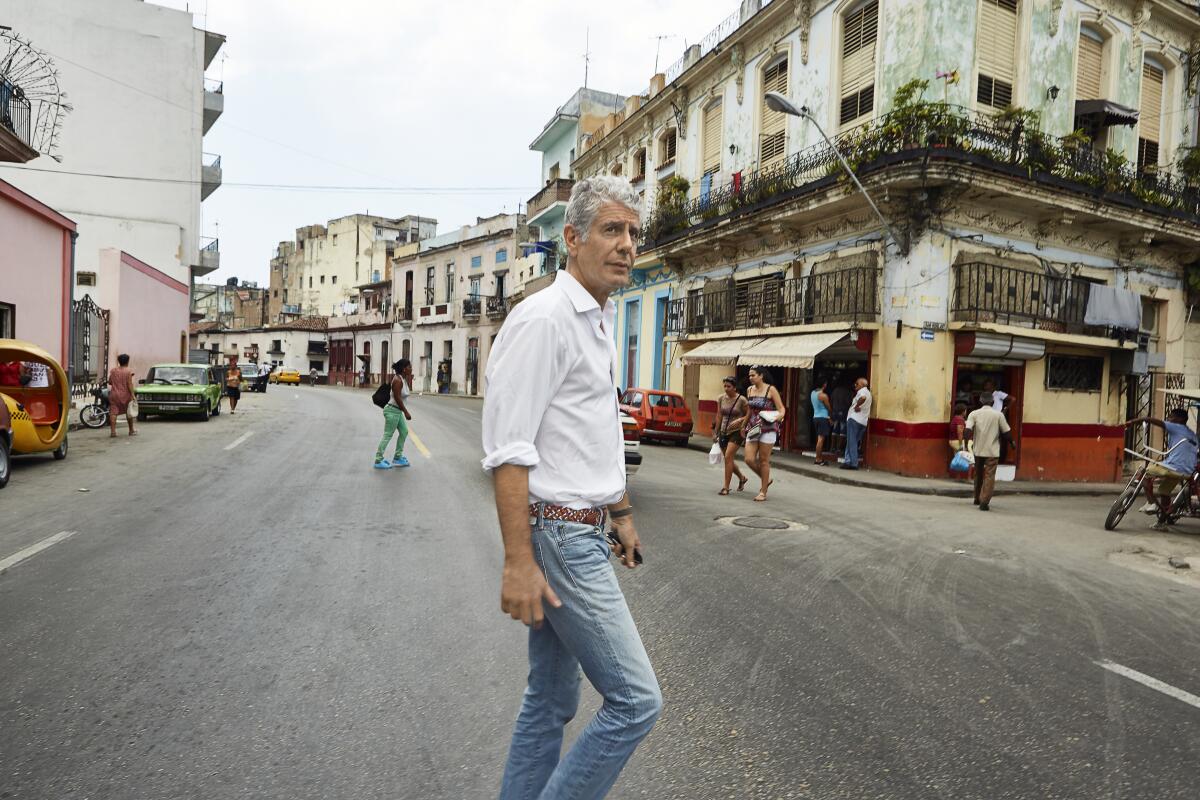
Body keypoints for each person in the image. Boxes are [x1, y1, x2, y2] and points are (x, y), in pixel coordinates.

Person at [482, 176, 661, 799]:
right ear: (572, 238)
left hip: (580, 524)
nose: (626, 246)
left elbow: (591, 432)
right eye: (612, 230)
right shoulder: (545, 320)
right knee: (636, 701)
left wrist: (623, 511)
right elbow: (509, 450)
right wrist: (517, 561)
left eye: (633, 233)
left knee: (552, 700)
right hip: (559, 535)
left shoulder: (595, 319)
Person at [1126, 408, 1198, 529]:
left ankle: (1151, 503)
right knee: (1164, 491)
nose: (1169, 418)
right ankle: (1161, 523)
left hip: (1172, 467)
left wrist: (1134, 421)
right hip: (1186, 472)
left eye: (1171, 416)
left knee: (1144, 472)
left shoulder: (1175, 427)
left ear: (1180, 420)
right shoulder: (1193, 435)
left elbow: (1152, 420)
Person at [964, 391, 1017, 511]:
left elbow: (967, 430)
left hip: (978, 450)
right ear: (993, 402)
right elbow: (1006, 432)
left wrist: (966, 443)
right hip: (993, 451)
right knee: (989, 476)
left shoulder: (974, 414)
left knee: (978, 474)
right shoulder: (998, 415)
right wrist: (1012, 443)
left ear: (980, 401)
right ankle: (985, 501)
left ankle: (977, 498)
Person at [744, 365, 785, 502]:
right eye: (749, 375)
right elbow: (749, 411)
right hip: (753, 427)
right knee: (749, 459)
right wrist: (743, 425)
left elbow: (781, 408)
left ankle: (763, 491)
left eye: (753, 375)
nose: (750, 378)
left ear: (761, 376)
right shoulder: (749, 390)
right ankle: (766, 479)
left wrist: (778, 417)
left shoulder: (770, 389)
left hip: (768, 427)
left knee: (763, 460)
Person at [711, 376, 749, 495]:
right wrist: (715, 432)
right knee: (728, 459)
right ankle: (742, 477)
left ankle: (725, 487)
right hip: (723, 431)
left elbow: (749, 414)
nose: (726, 389)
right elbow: (719, 415)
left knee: (728, 457)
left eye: (729, 386)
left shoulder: (742, 400)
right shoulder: (721, 398)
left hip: (736, 432)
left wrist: (741, 421)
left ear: (735, 387)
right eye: (725, 386)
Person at [374, 358, 414, 469]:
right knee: (388, 435)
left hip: (397, 411)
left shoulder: (402, 378)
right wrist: (406, 412)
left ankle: (397, 457)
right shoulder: (398, 380)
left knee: (404, 431)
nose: (411, 369)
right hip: (392, 410)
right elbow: (397, 398)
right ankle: (378, 459)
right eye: (409, 367)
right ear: (404, 369)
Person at [841, 377, 871, 470]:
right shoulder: (868, 392)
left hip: (855, 420)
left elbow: (863, 398)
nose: (855, 385)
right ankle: (848, 461)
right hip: (862, 421)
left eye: (857, 383)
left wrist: (857, 406)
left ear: (862, 385)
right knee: (852, 441)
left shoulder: (863, 392)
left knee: (851, 441)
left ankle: (853, 463)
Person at [106, 353, 137, 438]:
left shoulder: (113, 370)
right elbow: (129, 384)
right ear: (127, 361)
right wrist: (133, 395)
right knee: (129, 412)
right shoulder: (129, 371)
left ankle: (113, 432)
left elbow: (110, 382)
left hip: (114, 394)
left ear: (119, 361)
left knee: (113, 412)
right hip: (126, 395)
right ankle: (131, 430)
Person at [811, 377, 832, 466]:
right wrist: (830, 417)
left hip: (815, 417)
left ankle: (818, 458)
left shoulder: (812, 393)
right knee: (821, 439)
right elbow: (828, 408)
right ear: (824, 385)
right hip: (823, 418)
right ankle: (818, 459)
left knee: (819, 439)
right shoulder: (823, 395)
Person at [829, 376, 851, 456]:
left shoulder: (835, 391)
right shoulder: (847, 392)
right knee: (842, 431)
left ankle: (832, 448)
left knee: (834, 430)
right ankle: (839, 449)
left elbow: (831, 401)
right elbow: (849, 403)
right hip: (843, 412)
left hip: (835, 412)